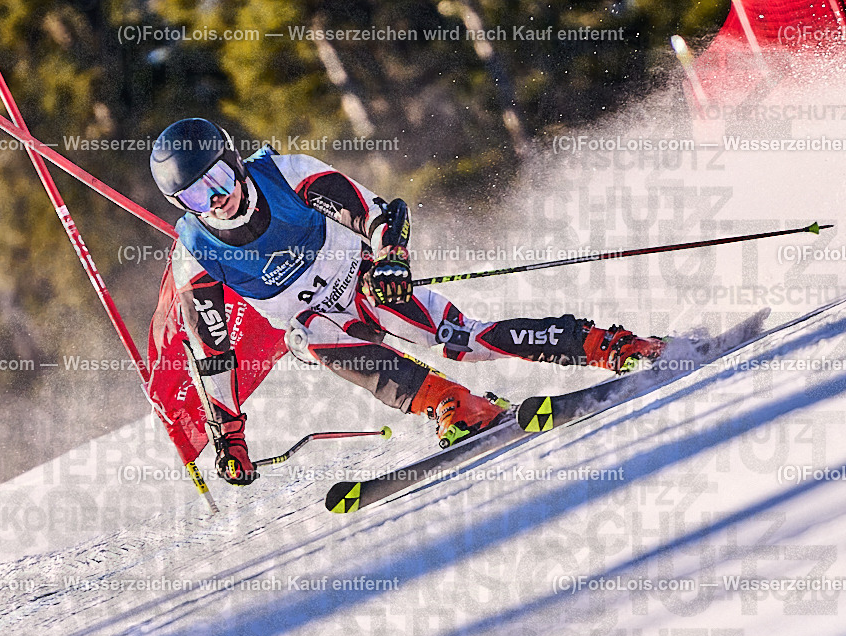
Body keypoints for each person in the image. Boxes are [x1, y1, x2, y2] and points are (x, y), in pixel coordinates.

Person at [149, 119, 665, 485]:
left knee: (460, 340)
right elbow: (212, 355)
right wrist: (228, 433)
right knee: (313, 338)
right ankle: (453, 404)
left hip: (367, 279)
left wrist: (391, 258)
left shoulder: (284, 173)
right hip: (317, 320)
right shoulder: (194, 257)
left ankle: (604, 344)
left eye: (217, 179)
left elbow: (379, 214)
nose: (217, 200)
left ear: (233, 163)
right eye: (197, 198)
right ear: (183, 208)